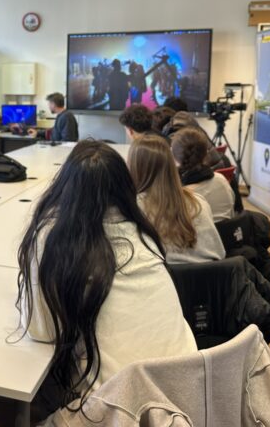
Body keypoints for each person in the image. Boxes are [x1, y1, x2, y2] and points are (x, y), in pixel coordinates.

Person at [17, 140, 197, 418]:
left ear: (66, 188)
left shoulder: (55, 239)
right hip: (184, 399)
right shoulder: (144, 234)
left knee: (27, 392)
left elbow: (42, 332)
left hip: (120, 412)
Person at [128, 135, 226, 264]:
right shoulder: (198, 201)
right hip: (214, 273)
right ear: (172, 164)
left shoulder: (134, 208)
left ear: (133, 168)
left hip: (168, 275)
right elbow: (220, 253)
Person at [171, 127, 236, 221]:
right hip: (227, 230)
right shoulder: (222, 180)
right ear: (206, 153)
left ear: (174, 158)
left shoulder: (182, 195)